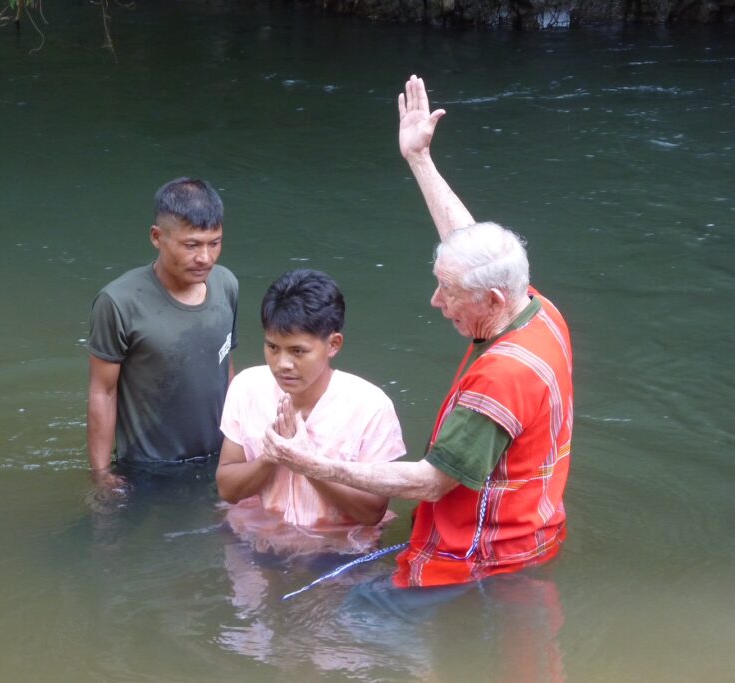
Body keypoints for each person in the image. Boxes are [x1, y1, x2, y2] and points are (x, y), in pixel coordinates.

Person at [262, 75, 574, 588]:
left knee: (344, 629)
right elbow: (471, 246)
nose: (435, 302)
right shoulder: (537, 309)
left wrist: (309, 461)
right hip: (533, 530)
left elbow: (430, 482)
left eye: (447, 293)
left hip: (478, 556)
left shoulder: (501, 378)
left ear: (492, 299)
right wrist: (420, 159)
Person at [216, 269, 406, 555]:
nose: (282, 364)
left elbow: (372, 512)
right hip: (257, 540)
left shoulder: (371, 407)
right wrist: (270, 458)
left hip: (336, 550)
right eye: (272, 347)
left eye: (298, 351)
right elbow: (227, 488)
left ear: (333, 345)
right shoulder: (247, 388)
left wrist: (307, 463)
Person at [86, 178, 238, 488]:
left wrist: (241, 442)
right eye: (191, 244)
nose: (205, 258)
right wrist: (101, 475)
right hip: (149, 466)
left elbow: (226, 367)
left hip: (218, 456)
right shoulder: (118, 302)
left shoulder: (226, 285)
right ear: (157, 237)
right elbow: (103, 391)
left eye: (215, 243)